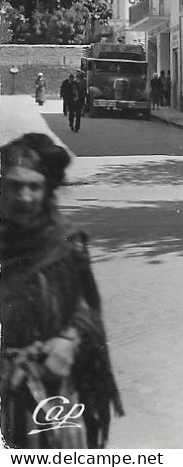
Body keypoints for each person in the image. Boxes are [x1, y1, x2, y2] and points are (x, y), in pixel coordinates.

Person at [0, 130, 123, 447]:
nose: (24, 196)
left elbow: (86, 313)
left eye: (34, 186)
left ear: (47, 190)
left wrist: (68, 341)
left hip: (49, 401)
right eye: (15, 186)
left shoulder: (65, 246)